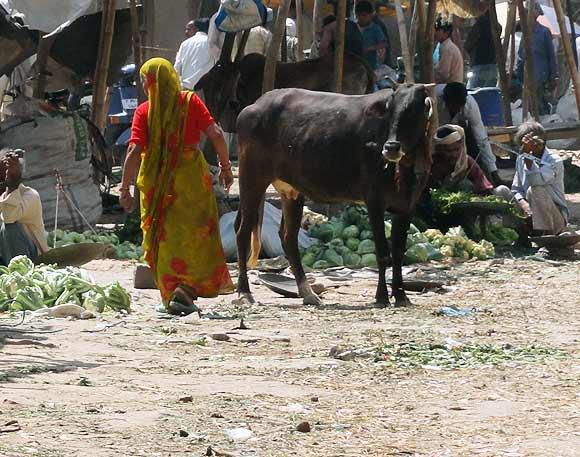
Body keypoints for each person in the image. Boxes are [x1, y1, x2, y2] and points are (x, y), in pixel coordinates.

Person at [119, 58, 234, 316]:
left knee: (165, 235)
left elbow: (134, 149)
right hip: (191, 180)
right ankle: (188, 289)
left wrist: (124, 188)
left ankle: (174, 290)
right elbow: (215, 133)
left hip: (156, 182)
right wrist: (226, 168)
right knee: (197, 234)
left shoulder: (144, 111)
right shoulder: (190, 101)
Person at [439, 82, 505, 187]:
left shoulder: (470, 104)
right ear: (446, 102)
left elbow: (481, 138)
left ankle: (484, 181)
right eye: (453, 106)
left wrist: (493, 171)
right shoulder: (436, 103)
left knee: (475, 151)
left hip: (461, 129)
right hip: (438, 133)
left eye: (460, 106)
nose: (457, 110)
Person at [511, 121, 569, 236]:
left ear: (539, 143)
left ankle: (546, 236)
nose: (523, 149)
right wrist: (524, 204)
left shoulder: (554, 161)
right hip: (529, 215)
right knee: (502, 191)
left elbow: (536, 182)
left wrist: (528, 158)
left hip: (553, 219)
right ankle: (519, 234)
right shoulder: (521, 159)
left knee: (535, 190)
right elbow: (516, 189)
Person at [0, 150, 49, 265]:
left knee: (10, 227)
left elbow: (9, 217)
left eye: (3, 179)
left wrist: (12, 184)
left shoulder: (30, 195)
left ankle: (19, 272)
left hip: (31, 260)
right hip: (4, 257)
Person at [515, 3, 558, 114]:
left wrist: (553, 76)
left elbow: (551, 56)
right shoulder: (525, 33)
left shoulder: (544, 32)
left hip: (541, 78)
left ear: (534, 15)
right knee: (530, 108)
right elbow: (520, 57)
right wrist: (518, 74)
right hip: (527, 78)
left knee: (541, 108)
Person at [174, 18, 215, 91]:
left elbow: (177, 67)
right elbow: (212, 64)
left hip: (183, 89)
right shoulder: (211, 43)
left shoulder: (184, 44)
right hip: (200, 89)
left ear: (197, 29)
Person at [464, 8, 499, 88]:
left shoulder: (479, 25)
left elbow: (468, 45)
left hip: (479, 65)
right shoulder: (497, 26)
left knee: (472, 93)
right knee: (489, 92)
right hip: (492, 65)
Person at [355, 1, 387, 71]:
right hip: (355, 65)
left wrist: (369, 48)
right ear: (357, 15)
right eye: (364, 15)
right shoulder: (352, 28)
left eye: (369, 16)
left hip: (371, 65)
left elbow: (383, 44)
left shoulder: (375, 28)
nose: (367, 18)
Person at [434, 17, 464, 84]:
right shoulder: (444, 45)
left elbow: (443, 74)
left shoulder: (447, 48)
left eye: (438, 30)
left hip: (451, 86)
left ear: (446, 33)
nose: (435, 32)